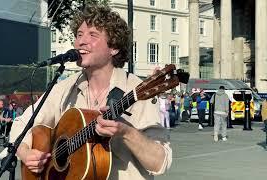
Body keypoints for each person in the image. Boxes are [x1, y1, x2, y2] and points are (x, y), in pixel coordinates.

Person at [9, 5, 172, 179]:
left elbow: (160, 162)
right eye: (79, 35)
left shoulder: (137, 90)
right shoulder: (64, 88)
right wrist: (25, 152)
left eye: (92, 35)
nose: (81, 41)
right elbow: (22, 123)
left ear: (114, 47)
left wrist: (126, 132)